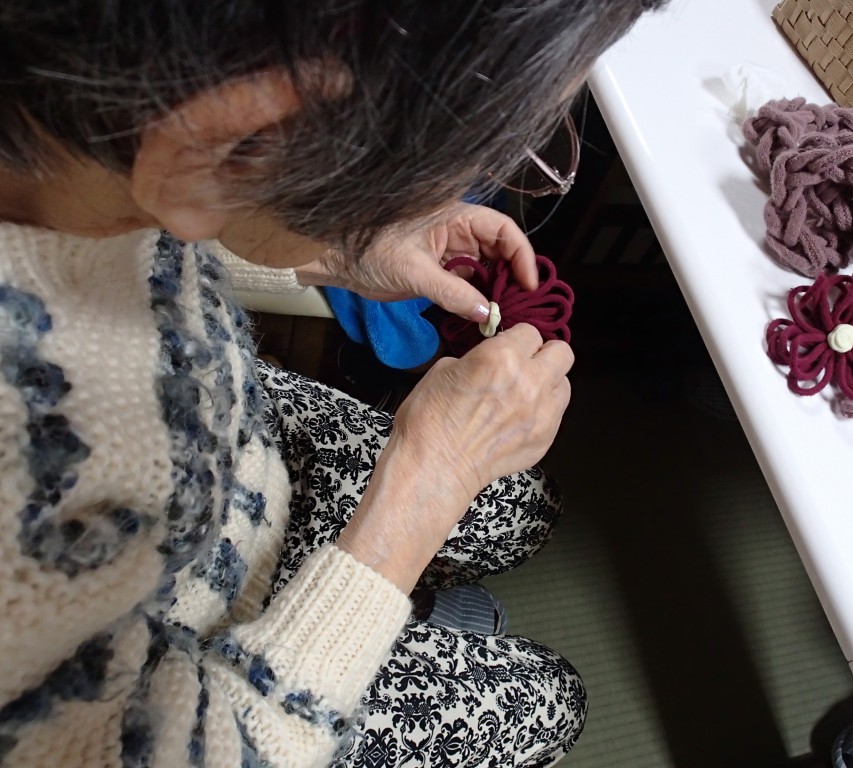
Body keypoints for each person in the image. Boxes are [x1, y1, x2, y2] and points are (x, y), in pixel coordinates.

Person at [0, 1, 665, 766]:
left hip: (226, 467)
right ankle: (375, 612)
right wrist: (426, 486)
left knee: (522, 507)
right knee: (550, 698)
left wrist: (334, 242)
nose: (454, 191)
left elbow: (138, 239)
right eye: (464, 160)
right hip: (194, 671)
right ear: (231, 143)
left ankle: (387, 604)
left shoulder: (74, 129)